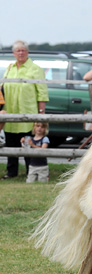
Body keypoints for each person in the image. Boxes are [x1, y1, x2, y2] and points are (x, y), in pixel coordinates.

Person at [0, 40, 49, 180]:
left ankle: (30, 170)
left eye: (23, 50)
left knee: (28, 142)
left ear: (27, 52)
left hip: (28, 112)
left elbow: (42, 92)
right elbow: (2, 87)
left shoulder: (35, 68)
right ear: (14, 53)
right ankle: (11, 171)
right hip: (10, 111)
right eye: (18, 51)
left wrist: (41, 113)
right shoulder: (10, 68)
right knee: (10, 143)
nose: (21, 53)